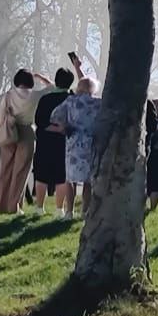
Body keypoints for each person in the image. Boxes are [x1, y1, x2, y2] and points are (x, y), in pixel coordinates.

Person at [0, 69, 53, 214]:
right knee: (20, 172)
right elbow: (52, 87)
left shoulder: (8, 95)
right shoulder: (35, 95)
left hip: (9, 131)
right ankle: (14, 206)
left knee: (4, 171)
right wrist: (40, 77)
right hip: (27, 132)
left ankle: (1, 205)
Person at [49, 77, 102, 216]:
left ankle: (69, 211)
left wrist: (65, 127)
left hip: (73, 142)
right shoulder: (98, 103)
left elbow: (55, 115)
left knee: (70, 179)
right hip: (91, 144)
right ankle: (85, 210)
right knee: (88, 181)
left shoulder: (71, 101)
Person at [34, 67, 76, 215]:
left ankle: (39, 207)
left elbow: (39, 121)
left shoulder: (45, 99)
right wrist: (62, 130)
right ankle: (59, 209)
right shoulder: (72, 100)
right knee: (62, 176)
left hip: (45, 142)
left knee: (41, 174)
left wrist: (52, 128)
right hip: (64, 143)